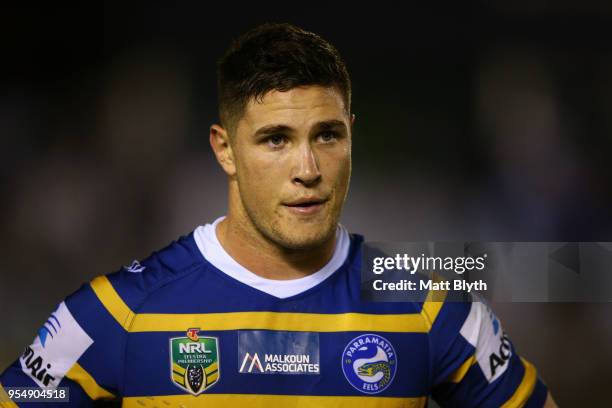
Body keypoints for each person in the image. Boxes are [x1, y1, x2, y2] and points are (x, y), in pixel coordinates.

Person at [0, 23, 556, 407]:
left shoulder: (427, 301)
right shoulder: (117, 311)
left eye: (328, 135)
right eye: (275, 140)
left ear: (351, 137)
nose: (308, 168)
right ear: (224, 150)